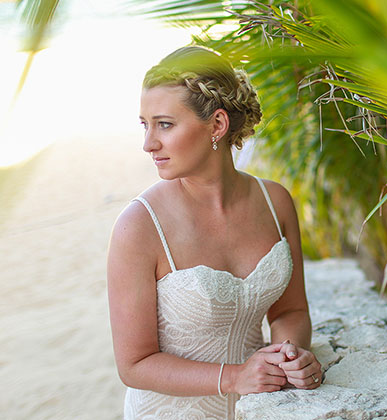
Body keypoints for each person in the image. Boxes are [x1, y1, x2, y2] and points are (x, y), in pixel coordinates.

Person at [107, 45, 321, 420]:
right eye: (145, 125)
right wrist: (235, 377)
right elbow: (135, 364)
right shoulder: (138, 226)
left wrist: (288, 354)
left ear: (217, 125)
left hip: (258, 406)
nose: (148, 143)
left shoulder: (275, 202)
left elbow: (290, 310)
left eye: (164, 124)